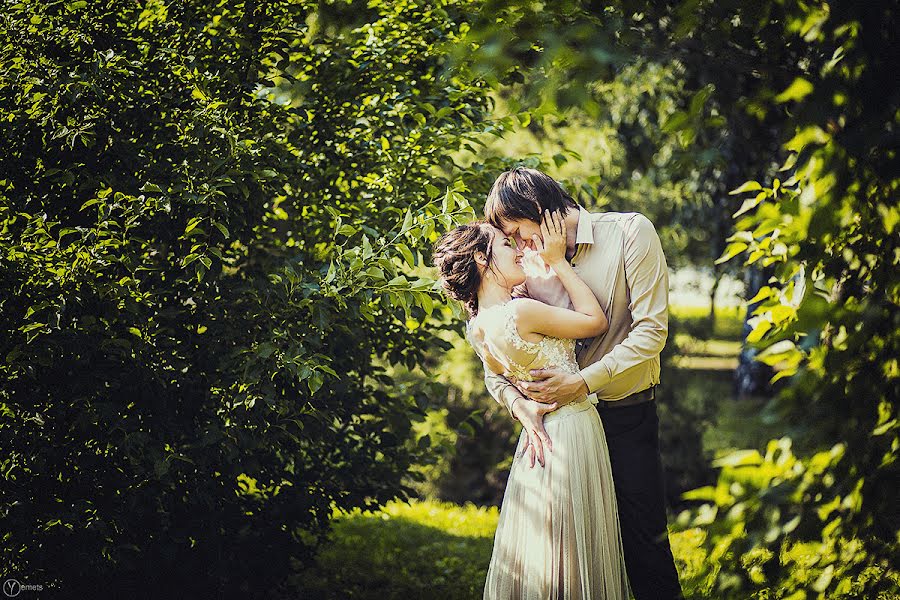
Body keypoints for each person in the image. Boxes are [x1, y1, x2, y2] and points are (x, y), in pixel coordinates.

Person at [482, 167, 683, 600]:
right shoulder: (526, 268)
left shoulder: (630, 233)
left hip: (627, 416)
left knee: (645, 548)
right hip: (563, 433)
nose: (517, 245)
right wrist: (520, 406)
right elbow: (495, 353)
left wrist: (584, 383)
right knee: (567, 558)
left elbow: (652, 332)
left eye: (517, 230)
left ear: (538, 210)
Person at [433, 212, 630, 599]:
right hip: (571, 429)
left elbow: (500, 379)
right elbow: (596, 322)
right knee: (576, 547)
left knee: (547, 550)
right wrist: (557, 261)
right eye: (506, 245)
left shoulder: (478, 327)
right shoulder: (519, 313)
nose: (518, 252)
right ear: (481, 259)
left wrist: (517, 404)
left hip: (535, 441)